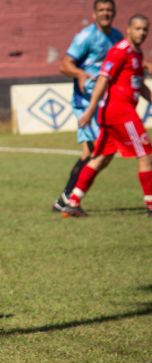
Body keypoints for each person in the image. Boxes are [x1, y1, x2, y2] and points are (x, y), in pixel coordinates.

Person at [62, 14, 152, 217]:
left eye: (145, 29)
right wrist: (91, 109)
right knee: (146, 154)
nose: (142, 33)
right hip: (120, 112)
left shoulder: (136, 54)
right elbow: (103, 79)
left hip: (118, 113)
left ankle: (72, 203)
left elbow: (138, 85)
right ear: (128, 29)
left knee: (101, 158)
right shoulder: (120, 51)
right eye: (138, 28)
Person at [52, 0, 123, 212]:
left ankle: (65, 199)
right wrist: (81, 73)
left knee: (97, 154)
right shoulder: (85, 37)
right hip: (85, 102)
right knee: (95, 153)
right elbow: (64, 65)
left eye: (109, 10)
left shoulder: (117, 37)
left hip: (105, 103)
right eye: (101, 10)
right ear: (94, 14)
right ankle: (68, 199)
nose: (105, 13)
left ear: (114, 13)